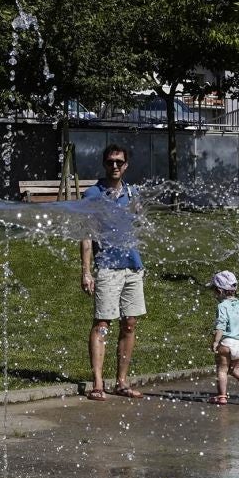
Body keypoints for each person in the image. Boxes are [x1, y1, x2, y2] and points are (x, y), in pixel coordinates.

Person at [80, 144, 147, 399]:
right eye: (110, 162)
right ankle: (98, 383)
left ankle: (121, 382)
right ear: (104, 164)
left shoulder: (133, 193)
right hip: (107, 267)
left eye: (119, 162)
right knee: (103, 323)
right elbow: (86, 235)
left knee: (129, 324)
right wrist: (86, 271)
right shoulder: (92, 194)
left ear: (126, 165)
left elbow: (139, 226)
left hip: (133, 267)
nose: (115, 166)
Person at [208, 269, 239, 405]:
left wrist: (216, 341)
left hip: (227, 343)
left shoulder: (222, 306)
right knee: (234, 368)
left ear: (219, 291)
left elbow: (221, 326)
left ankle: (222, 396)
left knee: (222, 370)